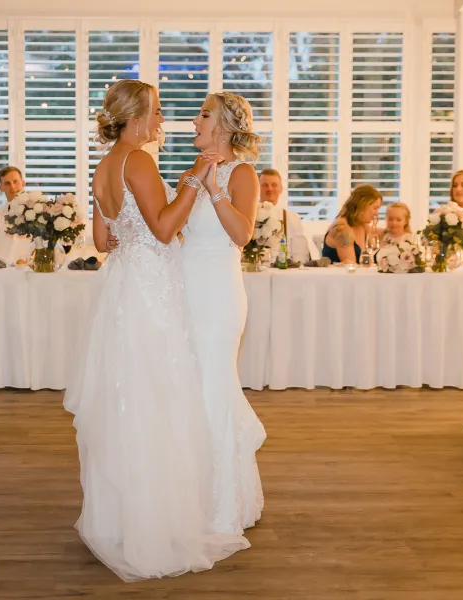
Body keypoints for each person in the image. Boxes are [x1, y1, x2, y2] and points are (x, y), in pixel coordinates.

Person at [63, 79, 249, 582]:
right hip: (149, 294)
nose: (165, 120)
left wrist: (147, 231)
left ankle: (121, 517)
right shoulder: (138, 160)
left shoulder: (104, 165)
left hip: (122, 289)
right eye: (159, 111)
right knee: (154, 400)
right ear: (139, 114)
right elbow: (165, 229)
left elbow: (103, 241)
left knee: (127, 400)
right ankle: (155, 525)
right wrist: (191, 180)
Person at [179, 91, 266, 536]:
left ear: (226, 126)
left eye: (204, 113)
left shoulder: (243, 173)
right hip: (183, 292)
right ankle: (189, 492)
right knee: (188, 387)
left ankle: (222, 502)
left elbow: (243, 235)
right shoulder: (189, 172)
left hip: (217, 294)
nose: (195, 120)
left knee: (214, 384)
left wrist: (213, 189)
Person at [0, 167, 34, 265]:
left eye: (15, 181)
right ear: (1, 188)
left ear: (23, 183)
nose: (12, 187)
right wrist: (14, 263)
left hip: (32, 275)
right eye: (7, 183)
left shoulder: (38, 217)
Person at [258, 168, 314, 262]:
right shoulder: (250, 216)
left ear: (281, 189)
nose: (270, 188)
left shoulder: (292, 218)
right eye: (265, 185)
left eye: (274, 185)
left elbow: (300, 253)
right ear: (257, 188)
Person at [321, 185, 382, 264]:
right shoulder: (342, 229)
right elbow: (351, 265)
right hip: (339, 275)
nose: (376, 213)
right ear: (362, 205)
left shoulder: (363, 226)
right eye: (375, 208)